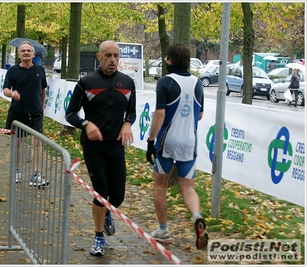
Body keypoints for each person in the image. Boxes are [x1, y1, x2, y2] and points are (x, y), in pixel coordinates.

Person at [65, 40, 136, 257]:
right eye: (108, 55)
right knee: (101, 192)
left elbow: (132, 112)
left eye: (116, 55)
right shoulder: (86, 82)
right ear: (99, 57)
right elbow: (70, 114)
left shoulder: (127, 82)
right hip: (93, 145)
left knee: (118, 196)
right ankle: (98, 238)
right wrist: (86, 124)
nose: (112, 60)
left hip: (116, 145)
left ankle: (106, 214)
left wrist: (127, 124)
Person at [146, 43, 208, 249]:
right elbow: (199, 114)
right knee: (188, 187)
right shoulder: (198, 83)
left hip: (167, 141)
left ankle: (163, 230)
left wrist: (150, 141)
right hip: (189, 141)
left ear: (170, 60)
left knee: (160, 185)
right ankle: (197, 217)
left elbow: (160, 114)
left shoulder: (165, 82)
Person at [3, 41, 49, 187]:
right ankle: (17, 170)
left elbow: (43, 90)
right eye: (23, 51)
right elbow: (5, 89)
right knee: (17, 143)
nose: (26, 53)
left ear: (33, 54)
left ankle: (36, 174)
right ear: (18, 54)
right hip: (18, 112)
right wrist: (12, 93)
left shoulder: (40, 70)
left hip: (35, 113)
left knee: (37, 143)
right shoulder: (13, 71)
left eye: (29, 50)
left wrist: (41, 107)